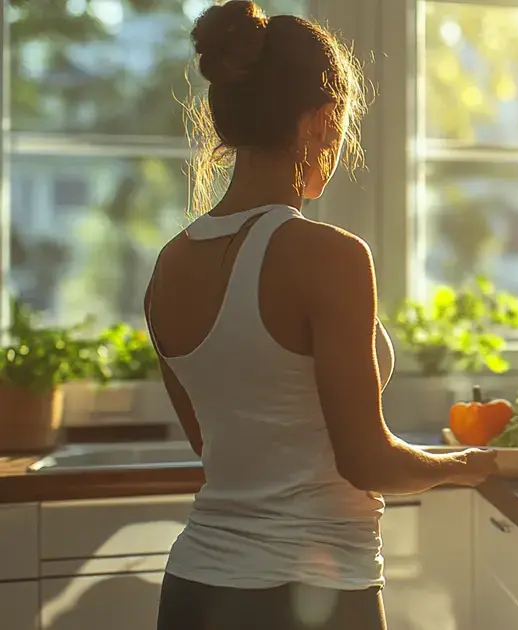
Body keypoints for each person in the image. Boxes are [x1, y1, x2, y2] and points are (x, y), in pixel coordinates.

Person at [146, 3, 498, 629]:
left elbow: (220, 451)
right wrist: (466, 466)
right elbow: (367, 461)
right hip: (309, 595)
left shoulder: (170, 266)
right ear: (318, 119)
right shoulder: (328, 256)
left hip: (194, 587)